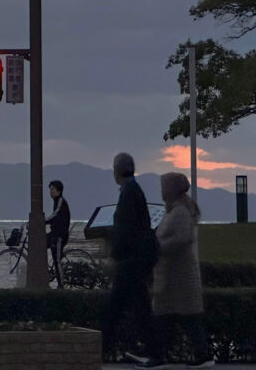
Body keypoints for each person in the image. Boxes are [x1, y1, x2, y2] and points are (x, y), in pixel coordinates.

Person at [101, 152, 162, 367]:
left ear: (116, 171)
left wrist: (114, 256)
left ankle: (102, 349)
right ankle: (152, 350)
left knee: (117, 308)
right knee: (137, 306)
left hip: (131, 262)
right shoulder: (134, 190)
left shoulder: (129, 193)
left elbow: (125, 229)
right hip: (137, 261)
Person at [149, 173, 214, 368]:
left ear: (171, 190)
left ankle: (164, 356)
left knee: (181, 317)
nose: (161, 191)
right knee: (173, 316)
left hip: (179, 275)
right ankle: (161, 355)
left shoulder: (179, 212)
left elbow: (182, 238)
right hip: (173, 275)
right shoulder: (176, 211)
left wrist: (158, 248)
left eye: (164, 187)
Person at [47, 180, 71, 288]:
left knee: (57, 260)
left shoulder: (60, 201)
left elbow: (55, 215)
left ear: (59, 191)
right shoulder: (56, 201)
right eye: (50, 189)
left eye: (53, 189)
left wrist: (43, 220)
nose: (51, 191)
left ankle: (61, 286)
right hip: (54, 233)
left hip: (60, 235)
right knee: (40, 243)